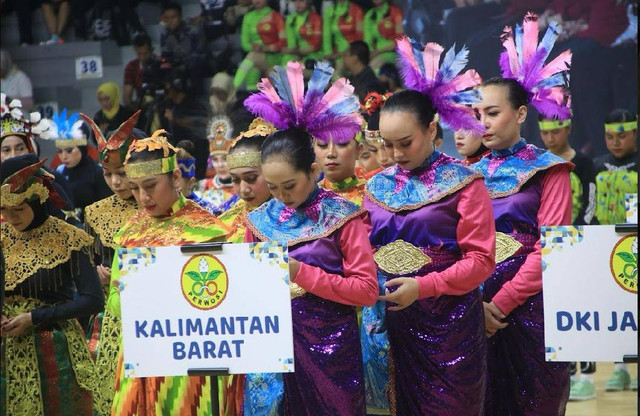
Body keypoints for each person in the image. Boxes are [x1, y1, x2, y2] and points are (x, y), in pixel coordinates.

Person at [363, 36, 495, 415]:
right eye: (388, 145)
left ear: (433, 128)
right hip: (387, 327)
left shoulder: (464, 183)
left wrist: (424, 286)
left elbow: (482, 261)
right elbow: (364, 253)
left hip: (448, 330)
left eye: (405, 142)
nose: (396, 155)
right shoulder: (376, 185)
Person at [245, 60, 379, 415]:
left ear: (314, 171)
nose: (281, 196)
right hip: (273, 352)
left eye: (289, 186)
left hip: (332, 351)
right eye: (272, 188)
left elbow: (366, 291)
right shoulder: (258, 220)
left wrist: (300, 273)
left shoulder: (342, 217)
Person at [471, 13, 574, 415]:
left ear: (521, 114)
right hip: (474, 311)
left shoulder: (549, 169)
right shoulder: (465, 174)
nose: (483, 123)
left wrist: (501, 303)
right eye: (477, 114)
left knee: (535, 403)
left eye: (493, 113)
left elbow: (552, 248)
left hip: (532, 310)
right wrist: (475, 307)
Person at [106, 131, 230, 415]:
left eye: (150, 185)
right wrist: (139, 299)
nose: (142, 197)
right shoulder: (129, 234)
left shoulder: (210, 231)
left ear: (175, 178)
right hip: (141, 353)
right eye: (135, 188)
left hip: (191, 357)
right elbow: (113, 298)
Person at [1, 154, 104, 415]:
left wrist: (35, 317)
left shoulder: (68, 237)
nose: (11, 218)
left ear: (38, 199)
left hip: (55, 350)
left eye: (19, 208)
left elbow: (93, 299)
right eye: (3, 210)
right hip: (5, 352)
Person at [216, 118, 282, 415]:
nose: (242, 189)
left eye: (251, 178)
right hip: (245, 338)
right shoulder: (224, 223)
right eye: (235, 179)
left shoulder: (297, 217)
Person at [594, 109, 638, 393]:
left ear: (634, 134)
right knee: (613, 308)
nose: (615, 142)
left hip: (634, 242)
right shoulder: (597, 165)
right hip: (605, 242)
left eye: (621, 136)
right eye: (610, 137)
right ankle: (619, 368)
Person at [43, 110, 113, 222]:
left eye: (69, 150)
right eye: (59, 151)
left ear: (82, 149)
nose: (64, 156)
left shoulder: (98, 172)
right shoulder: (57, 173)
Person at [233, 0, 286, 90]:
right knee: (253, 63)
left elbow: (283, 41)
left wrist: (266, 48)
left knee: (252, 56)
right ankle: (250, 92)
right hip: (255, 55)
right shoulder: (248, 17)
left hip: (274, 56)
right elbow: (244, 43)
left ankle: (234, 87)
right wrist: (254, 47)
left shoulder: (276, 16)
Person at [314, 124, 366, 206]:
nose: (331, 153)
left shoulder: (373, 199)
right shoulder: (306, 198)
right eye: (323, 145)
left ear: (358, 150)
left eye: (342, 143)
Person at [200, 116, 238, 213]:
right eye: (215, 160)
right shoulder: (204, 186)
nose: (220, 165)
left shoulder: (243, 187)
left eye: (225, 159)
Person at [175, 140, 219, 214]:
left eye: (176, 179)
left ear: (191, 182)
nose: (169, 185)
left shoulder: (208, 211)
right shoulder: (160, 209)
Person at [322, 0, 364, 76]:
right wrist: (328, 54)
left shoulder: (356, 10)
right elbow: (326, 36)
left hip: (352, 54)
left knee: (337, 73)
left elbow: (359, 37)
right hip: (335, 54)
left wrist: (346, 53)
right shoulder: (329, 11)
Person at [363, 0, 403, 72]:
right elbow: (367, 41)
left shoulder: (395, 12)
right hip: (374, 55)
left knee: (372, 70)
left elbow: (399, 41)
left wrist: (378, 52)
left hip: (393, 53)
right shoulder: (369, 15)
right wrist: (369, 54)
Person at [123, 33, 159, 108]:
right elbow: (127, 98)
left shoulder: (160, 64)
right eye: (139, 54)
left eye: (145, 53)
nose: (142, 57)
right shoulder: (131, 67)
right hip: (142, 105)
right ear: (135, 50)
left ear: (151, 50)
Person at [282, 0, 323, 66]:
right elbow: (291, 44)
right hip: (295, 54)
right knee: (285, 64)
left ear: (308, 2)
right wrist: (295, 54)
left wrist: (297, 51)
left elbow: (315, 46)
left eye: (301, 1)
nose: (298, 4)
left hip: (313, 55)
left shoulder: (316, 18)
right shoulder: (290, 18)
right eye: (295, 1)